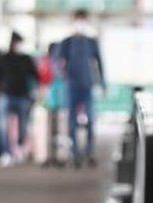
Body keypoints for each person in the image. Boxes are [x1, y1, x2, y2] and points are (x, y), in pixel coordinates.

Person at [56, 9, 105, 168]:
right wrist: (62, 74)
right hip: (71, 85)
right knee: (72, 122)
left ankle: (89, 152)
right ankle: (74, 152)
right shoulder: (67, 42)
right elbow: (57, 61)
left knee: (90, 119)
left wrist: (102, 83)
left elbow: (100, 63)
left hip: (87, 85)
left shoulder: (91, 42)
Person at [0, 32, 38, 167]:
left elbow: (35, 76)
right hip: (5, 95)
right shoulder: (3, 58)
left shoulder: (26, 59)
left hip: (23, 96)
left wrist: (36, 91)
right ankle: (5, 153)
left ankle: (18, 149)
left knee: (23, 126)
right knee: (3, 126)